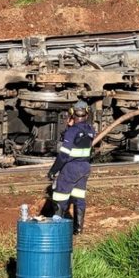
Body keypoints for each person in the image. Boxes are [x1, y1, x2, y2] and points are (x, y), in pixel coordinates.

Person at [48, 101, 96, 235]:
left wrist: (53, 170)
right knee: (79, 198)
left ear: (71, 113)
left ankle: (57, 231)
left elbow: (63, 155)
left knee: (60, 197)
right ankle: (78, 230)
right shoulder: (91, 130)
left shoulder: (72, 131)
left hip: (71, 168)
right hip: (85, 167)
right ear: (87, 113)